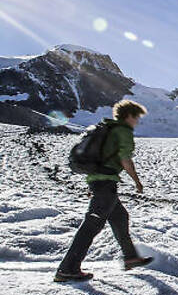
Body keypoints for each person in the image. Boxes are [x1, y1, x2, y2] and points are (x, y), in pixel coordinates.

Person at [55, 100, 152, 283]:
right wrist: (137, 182)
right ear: (129, 116)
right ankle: (67, 269)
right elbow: (125, 159)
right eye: (137, 117)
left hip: (100, 182)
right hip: (105, 183)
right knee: (92, 225)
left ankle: (130, 257)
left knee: (120, 218)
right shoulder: (122, 131)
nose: (137, 121)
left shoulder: (108, 128)